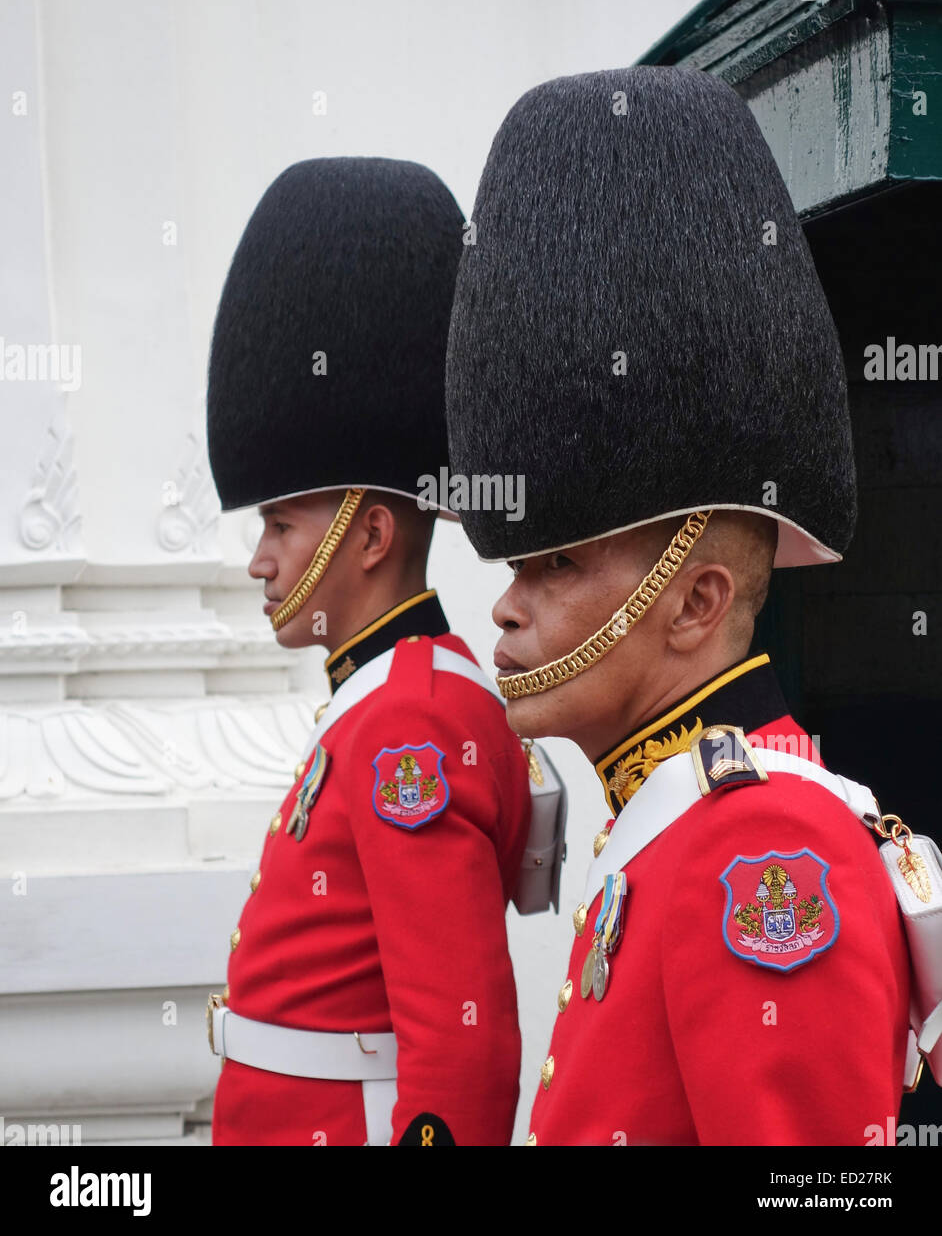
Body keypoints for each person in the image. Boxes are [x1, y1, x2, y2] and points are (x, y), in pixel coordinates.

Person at [445, 67, 915, 1145]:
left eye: (555, 565)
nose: (508, 609)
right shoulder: (669, 822)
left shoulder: (769, 854)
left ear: (696, 600)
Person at [205, 156, 531, 1146]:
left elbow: (460, 1039)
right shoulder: (385, 698)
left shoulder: (412, 723)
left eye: (281, 524)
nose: (261, 560)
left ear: (371, 538)